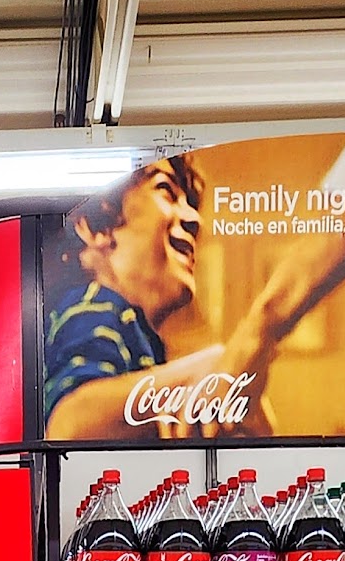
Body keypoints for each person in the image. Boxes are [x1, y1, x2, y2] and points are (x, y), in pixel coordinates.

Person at [44, 155, 272, 440]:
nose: (195, 219)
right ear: (94, 227)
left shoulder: (135, 333)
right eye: (166, 190)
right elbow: (70, 425)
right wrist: (204, 373)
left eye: (190, 204)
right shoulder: (91, 307)